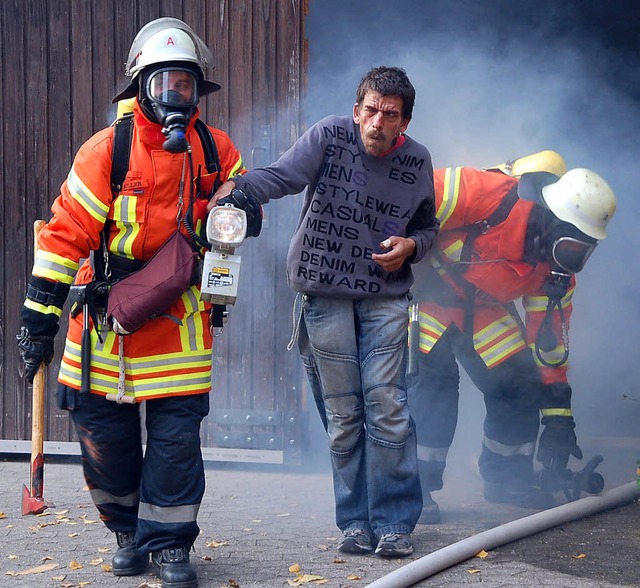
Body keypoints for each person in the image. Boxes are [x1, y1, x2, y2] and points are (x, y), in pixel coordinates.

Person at [16, 17, 259, 588]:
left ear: (198, 91)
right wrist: (37, 324)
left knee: (176, 444)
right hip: (106, 325)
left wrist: (241, 203)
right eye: (162, 84)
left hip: (180, 321)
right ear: (139, 87)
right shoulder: (107, 150)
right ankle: (127, 532)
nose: (174, 96)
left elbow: (243, 205)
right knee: (106, 442)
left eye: (185, 85)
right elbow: (62, 238)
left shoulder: (214, 148)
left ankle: (170, 545)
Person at [210, 66, 439, 557]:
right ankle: (355, 522)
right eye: (371, 110)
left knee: (389, 408)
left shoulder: (417, 161)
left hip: (385, 298)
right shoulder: (330, 136)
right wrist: (240, 191)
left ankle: (395, 523)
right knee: (344, 414)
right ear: (357, 111)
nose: (378, 122)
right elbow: (283, 176)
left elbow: (428, 228)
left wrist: (412, 247)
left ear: (405, 123)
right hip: (324, 292)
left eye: (391, 115)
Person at [407, 151, 617, 524]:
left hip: (483, 310)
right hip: (427, 297)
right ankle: (413, 491)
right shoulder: (487, 193)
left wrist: (558, 418)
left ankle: (507, 479)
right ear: (553, 222)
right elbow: (407, 199)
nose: (569, 263)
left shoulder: (556, 273)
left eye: (582, 254)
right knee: (435, 388)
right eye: (571, 248)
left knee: (520, 384)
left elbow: (549, 345)